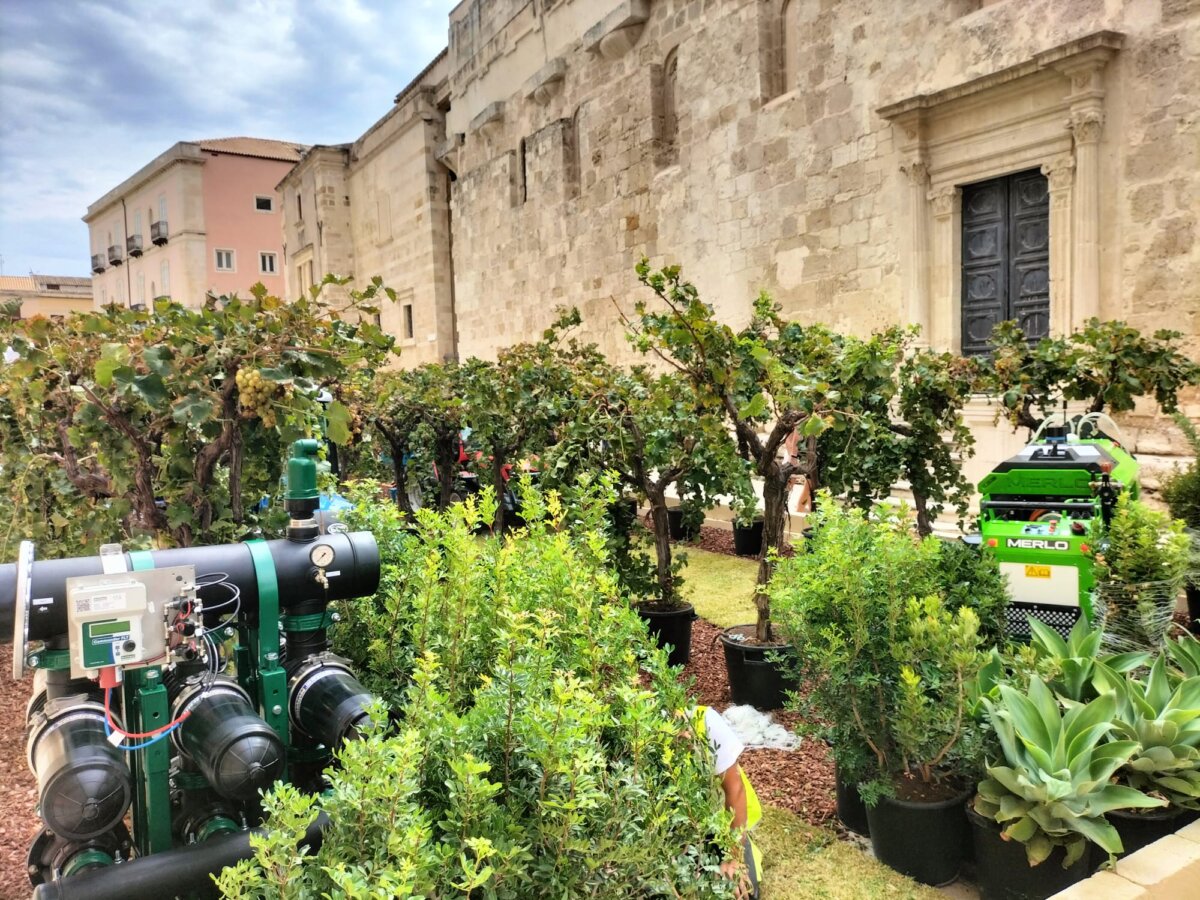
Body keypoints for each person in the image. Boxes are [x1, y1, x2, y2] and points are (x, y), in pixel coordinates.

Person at [692, 706, 762, 899]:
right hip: (682, 831)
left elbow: (735, 790)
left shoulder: (704, 721)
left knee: (739, 890)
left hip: (723, 826)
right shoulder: (637, 731)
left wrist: (734, 857)